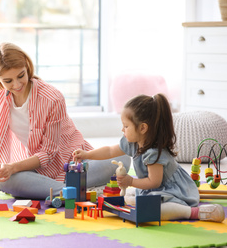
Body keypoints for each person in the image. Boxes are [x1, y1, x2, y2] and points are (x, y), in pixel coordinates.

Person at [0, 42, 130, 199]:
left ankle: (65, 189)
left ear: (27, 67)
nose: (16, 85)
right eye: (8, 81)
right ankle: (73, 190)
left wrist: (13, 167)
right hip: (35, 169)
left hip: (75, 165)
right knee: (4, 181)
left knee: (122, 159)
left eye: (20, 76)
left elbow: (48, 153)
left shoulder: (52, 98)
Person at [73, 93, 225, 222]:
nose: (122, 129)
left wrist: (131, 181)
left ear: (143, 128)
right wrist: (87, 154)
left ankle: (195, 213)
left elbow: (154, 182)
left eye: (126, 126)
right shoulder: (132, 142)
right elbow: (109, 151)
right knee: (130, 198)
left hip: (171, 189)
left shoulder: (154, 153)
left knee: (152, 211)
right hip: (152, 189)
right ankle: (149, 202)